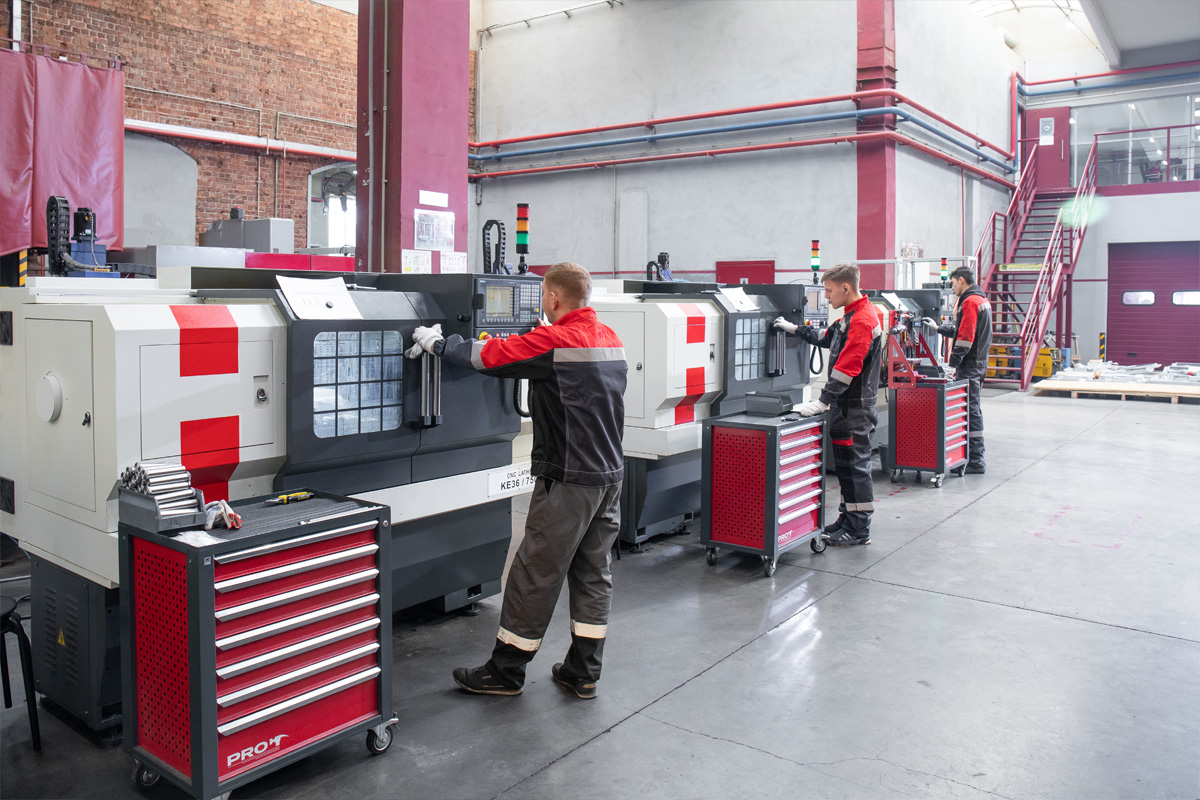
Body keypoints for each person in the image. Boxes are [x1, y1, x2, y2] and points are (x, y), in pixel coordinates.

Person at [409, 262, 628, 699]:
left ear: (552, 298)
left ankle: (505, 672)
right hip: (609, 476)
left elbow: (488, 356)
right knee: (593, 573)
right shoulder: (610, 338)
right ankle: (583, 672)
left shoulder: (555, 341)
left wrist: (437, 343)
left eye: (543, 295)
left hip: (568, 479)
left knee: (535, 573)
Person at [774, 264, 883, 546]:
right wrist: (794, 328)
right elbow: (826, 337)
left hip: (854, 409)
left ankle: (859, 529)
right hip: (845, 408)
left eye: (829, 290)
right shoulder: (851, 315)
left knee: (856, 468)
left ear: (846, 288)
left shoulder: (862, 320)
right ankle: (848, 518)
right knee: (846, 468)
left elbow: (847, 369)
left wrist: (822, 401)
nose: (826, 296)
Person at [923, 266, 992, 474]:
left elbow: (965, 339)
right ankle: (971, 457)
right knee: (972, 409)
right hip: (978, 364)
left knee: (970, 411)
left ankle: (976, 461)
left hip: (969, 366)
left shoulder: (970, 302)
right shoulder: (981, 299)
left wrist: (952, 365)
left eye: (953, 283)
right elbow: (962, 330)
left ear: (961, 280)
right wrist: (938, 328)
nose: (952, 288)